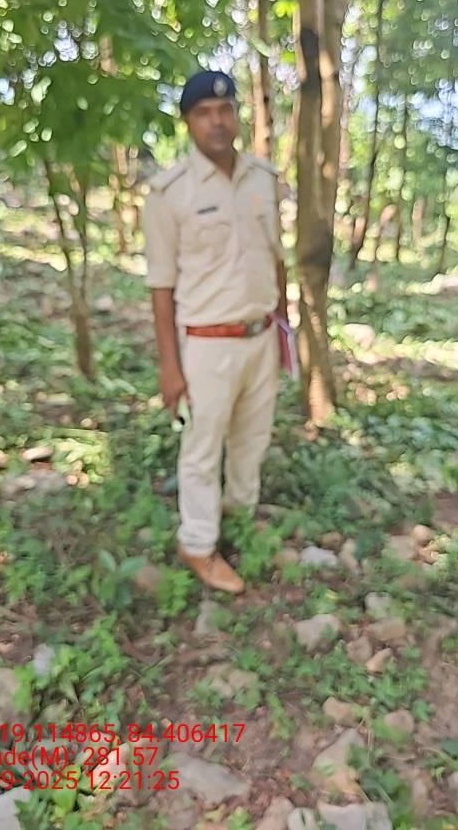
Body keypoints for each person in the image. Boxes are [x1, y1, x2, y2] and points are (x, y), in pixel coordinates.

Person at [143, 70, 288, 594]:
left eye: (225, 111)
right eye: (204, 113)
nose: (217, 122)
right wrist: (170, 366)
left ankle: (240, 517)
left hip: (261, 336)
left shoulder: (263, 178)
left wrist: (284, 326)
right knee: (203, 450)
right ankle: (199, 544)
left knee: (252, 439)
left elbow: (276, 259)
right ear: (188, 122)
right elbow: (161, 287)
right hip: (207, 344)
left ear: (237, 116)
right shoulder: (170, 194)